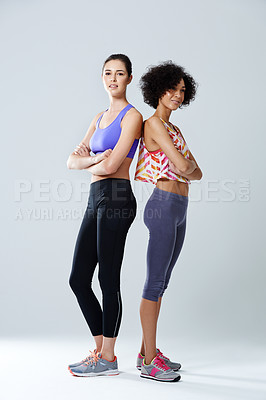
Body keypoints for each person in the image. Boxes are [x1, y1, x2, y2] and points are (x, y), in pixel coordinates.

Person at [67, 54, 142, 377]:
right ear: (102, 78)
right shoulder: (99, 117)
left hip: (118, 197)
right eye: (108, 73)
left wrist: (90, 161)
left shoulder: (132, 116)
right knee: (78, 279)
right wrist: (93, 159)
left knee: (107, 279)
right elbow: (71, 161)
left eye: (120, 73)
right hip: (94, 197)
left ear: (129, 79)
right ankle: (101, 351)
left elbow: (112, 168)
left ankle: (109, 358)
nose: (113, 79)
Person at [134, 61, 203, 382]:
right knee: (155, 283)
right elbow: (183, 165)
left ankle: (147, 350)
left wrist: (188, 166)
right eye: (171, 89)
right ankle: (149, 362)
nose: (177, 95)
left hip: (181, 206)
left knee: (163, 282)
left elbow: (198, 173)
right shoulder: (154, 124)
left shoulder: (175, 130)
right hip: (162, 205)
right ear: (157, 90)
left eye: (182, 91)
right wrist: (186, 165)